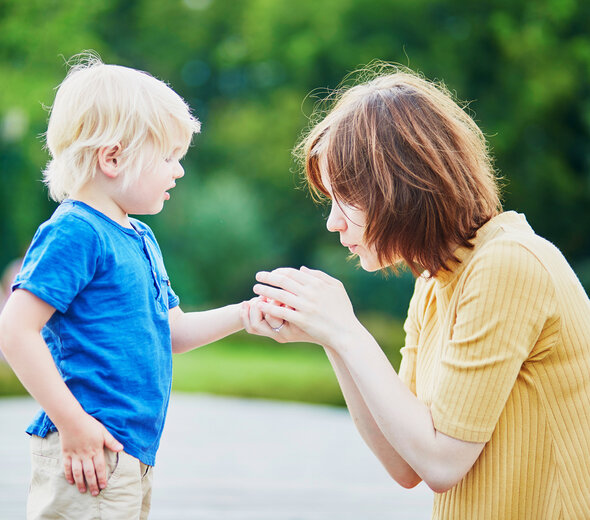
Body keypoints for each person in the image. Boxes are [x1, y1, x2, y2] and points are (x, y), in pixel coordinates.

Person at [241, 65, 590, 519]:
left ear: (401, 186)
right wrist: (331, 337)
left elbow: (441, 463)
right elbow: (406, 463)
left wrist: (348, 333)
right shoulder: (435, 282)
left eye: (346, 198)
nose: (333, 221)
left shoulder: (508, 263)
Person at [0, 53, 245, 519]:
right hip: (88, 452)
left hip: (128, 453)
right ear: (112, 157)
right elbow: (15, 330)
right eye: (169, 157)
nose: (179, 170)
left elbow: (172, 333)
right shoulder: (76, 231)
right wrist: (74, 426)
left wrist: (245, 314)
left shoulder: (139, 237)